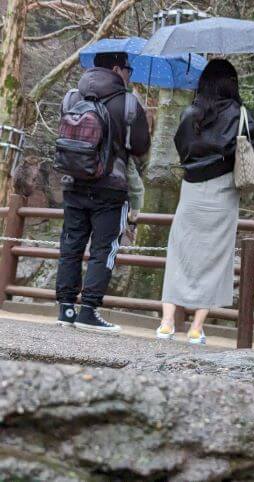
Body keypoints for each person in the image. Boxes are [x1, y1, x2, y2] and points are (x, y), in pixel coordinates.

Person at [157, 59, 254, 344]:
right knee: (215, 258)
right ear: (231, 83)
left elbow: (182, 148)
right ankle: (196, 328)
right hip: (224, 192)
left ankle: (167, 323)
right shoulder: (240, 114)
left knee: (179, 254)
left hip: (191, 190)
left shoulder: (191, 113)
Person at [56, 52, 151, 332]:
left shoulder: (72, 97)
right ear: (116, 68)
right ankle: (89, 311)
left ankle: (66, 309)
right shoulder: (128, 103)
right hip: (111, 188)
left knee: (70, 247)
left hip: (73, 183)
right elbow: (141, 148)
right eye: (129, 70)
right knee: (104, 249)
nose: (130, 75)